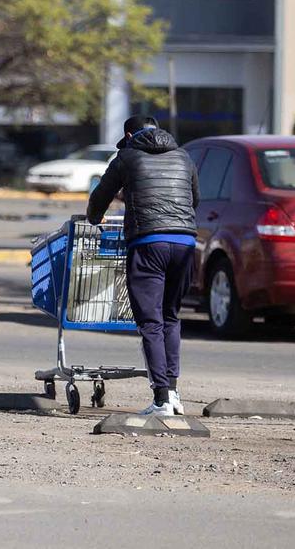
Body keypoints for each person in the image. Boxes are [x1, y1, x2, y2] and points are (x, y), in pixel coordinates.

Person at [86, 115, 199, 417]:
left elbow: (100, 197)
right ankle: (173, 393)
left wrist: (94, 219)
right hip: (186, 243)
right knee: (171, 317)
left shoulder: (127, 157)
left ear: (128, 135)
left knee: (151, 322)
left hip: (149, 244)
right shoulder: (183, 156)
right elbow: (195, 199)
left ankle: (160, 399)